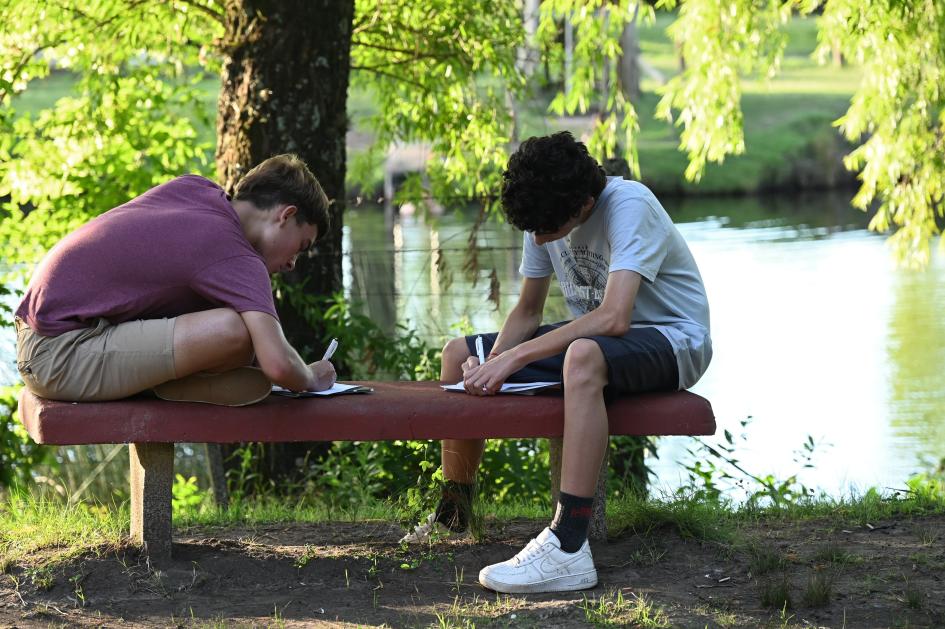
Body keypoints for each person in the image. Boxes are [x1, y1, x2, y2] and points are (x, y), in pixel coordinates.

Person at [401, 132, 712, 594]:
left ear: (585, 203)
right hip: (596, 345)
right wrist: (490, 362)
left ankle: (568, 545)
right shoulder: (543, 213)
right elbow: (528, 311)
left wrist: (513, 359)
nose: (540, 238)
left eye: (547, 230)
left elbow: (613, 317)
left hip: (673, 341)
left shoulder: (630, 206)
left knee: (581, 356)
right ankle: (454, 513)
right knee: (458, 354)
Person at [14, 154, 337, 406]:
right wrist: (310, 376)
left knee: (244, 343)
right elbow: (278, 366)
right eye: (301, 246)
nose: (294, 262)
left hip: (45, 336)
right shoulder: (235, 255)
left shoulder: (194, 190)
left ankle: (165, 383)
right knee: (237, 331)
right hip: (60, 356)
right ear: (286, 215)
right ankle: (163, 386)